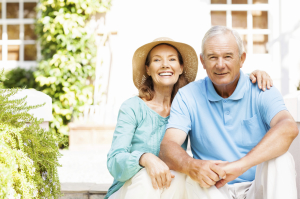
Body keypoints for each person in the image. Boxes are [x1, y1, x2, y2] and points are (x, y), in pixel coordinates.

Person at [105, 37, 273, 199]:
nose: (165, 65)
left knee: (186, 179)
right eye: (157, 60)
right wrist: (145, 158)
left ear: (180, 67)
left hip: (169, 187)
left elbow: (223, 78)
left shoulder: (187, 104)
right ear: (148, 69)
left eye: (172, 59)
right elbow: (114, 160)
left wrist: (254, 75)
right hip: (131, 189)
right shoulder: (132, 107)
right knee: (147, 178)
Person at [159, 26, 298, 199]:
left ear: (242, 59)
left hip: (257, 186)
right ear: (202, 61)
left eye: (227, 56)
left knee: (281, 159)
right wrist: (191, 165)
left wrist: (240, 166)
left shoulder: (262, 88)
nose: (220, 64)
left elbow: (289, 127)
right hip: (212, 189)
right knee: (189, 175)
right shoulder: (188, 95)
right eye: (212, 57)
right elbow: (167, 147)